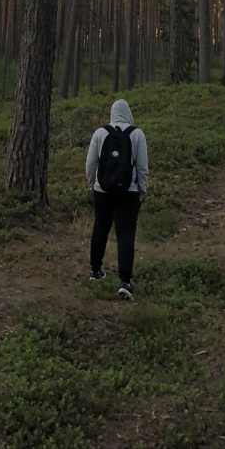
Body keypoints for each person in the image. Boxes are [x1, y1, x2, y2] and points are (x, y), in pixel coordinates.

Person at [85, 98, 148, 301]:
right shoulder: (137, 134)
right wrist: (141, 189)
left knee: (100, 228)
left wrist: (91, 184)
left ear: (112, 113)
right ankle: (125, 283)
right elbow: (142, 167)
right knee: (126, 234)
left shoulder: (100, 133)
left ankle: (96, 271)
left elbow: (91, 163)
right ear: (128, 113)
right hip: (128, 192)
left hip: (101, 190)